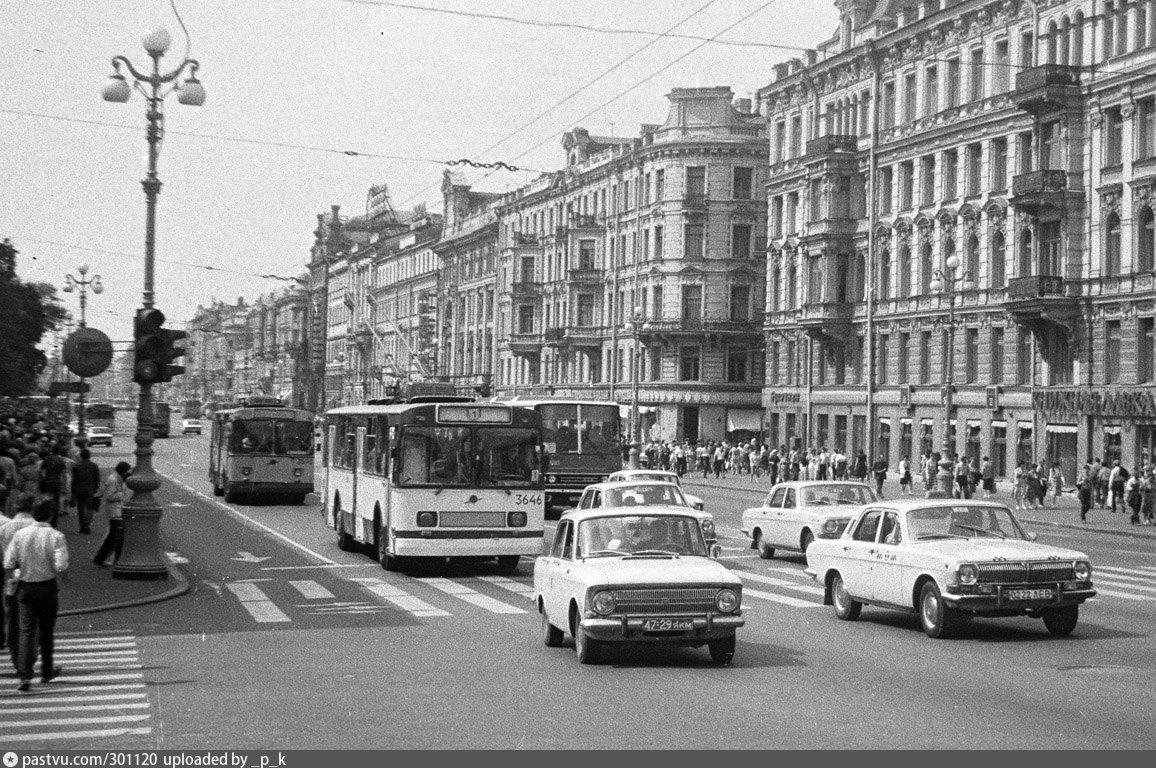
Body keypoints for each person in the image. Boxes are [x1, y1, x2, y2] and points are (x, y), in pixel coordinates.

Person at [3, 497, 69, 692]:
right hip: (47, 587)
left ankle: (25, 675)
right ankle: (47, 670)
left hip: (25, 587)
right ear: (51, 514)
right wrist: (62, 574)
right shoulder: (56, 536)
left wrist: (16, 578)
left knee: (26, 630)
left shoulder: (20, 535)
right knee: (47, 631)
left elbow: (8, 563)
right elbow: (61, 565)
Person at [0, 493, 36, 670]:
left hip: (13, 578)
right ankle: (28, 661)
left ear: (15, 507)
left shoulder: (6, 527)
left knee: (12, 620)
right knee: (31, 623)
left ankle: (17, 660)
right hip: (35, 578)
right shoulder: (37, 526)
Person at [93, 461, 131, 567]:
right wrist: (122, 494)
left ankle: (101, 558)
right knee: (116, 537)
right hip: (115, 511)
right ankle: (113, 560)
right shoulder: (114, 480)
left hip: (117, 510)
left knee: (114, 537)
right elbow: (109, 496)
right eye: (127, 472)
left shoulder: (117, 479)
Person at [70, 449, 101, 535]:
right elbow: (97, 479)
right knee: (90, 508)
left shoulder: (77, 466)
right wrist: (95, 489)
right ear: (89, 456)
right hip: (90, 490)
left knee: (80, 509)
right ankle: (87, 525)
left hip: (79, 490)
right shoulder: (94, 466)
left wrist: (73, 493)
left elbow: (74, 481)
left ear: (81, 456)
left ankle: (82, 527)